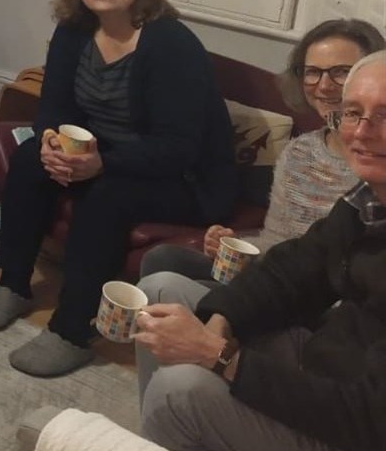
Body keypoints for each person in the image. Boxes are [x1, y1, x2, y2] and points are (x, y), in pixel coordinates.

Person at [131, 52, 386, 451]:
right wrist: (222, 321)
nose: (362, 129)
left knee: (179, 389)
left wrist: (222, 358)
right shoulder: (367, 201)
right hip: (331, 370)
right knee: (164, 291)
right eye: (353, 112)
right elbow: (293, 270)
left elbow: (371, 420)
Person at [0, 0, 236, 377]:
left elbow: (178, 147)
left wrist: (101, 164)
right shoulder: (75, 30)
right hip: (103, 152)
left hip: (181, 176)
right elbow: (53, 104)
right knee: (30, 158)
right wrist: (53, 140)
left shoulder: (171, 44)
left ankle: (74, 329)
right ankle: (13, 282)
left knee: (107, 196)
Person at [140, 18, 385, 283]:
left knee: (164, 287)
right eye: (312, 72)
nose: (324, 85)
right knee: (162, 259)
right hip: (272, 272)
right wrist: (233, 242)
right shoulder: (300, 151)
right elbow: (275, 239)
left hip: (312, 291)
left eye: (340, 72)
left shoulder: (372, 165)